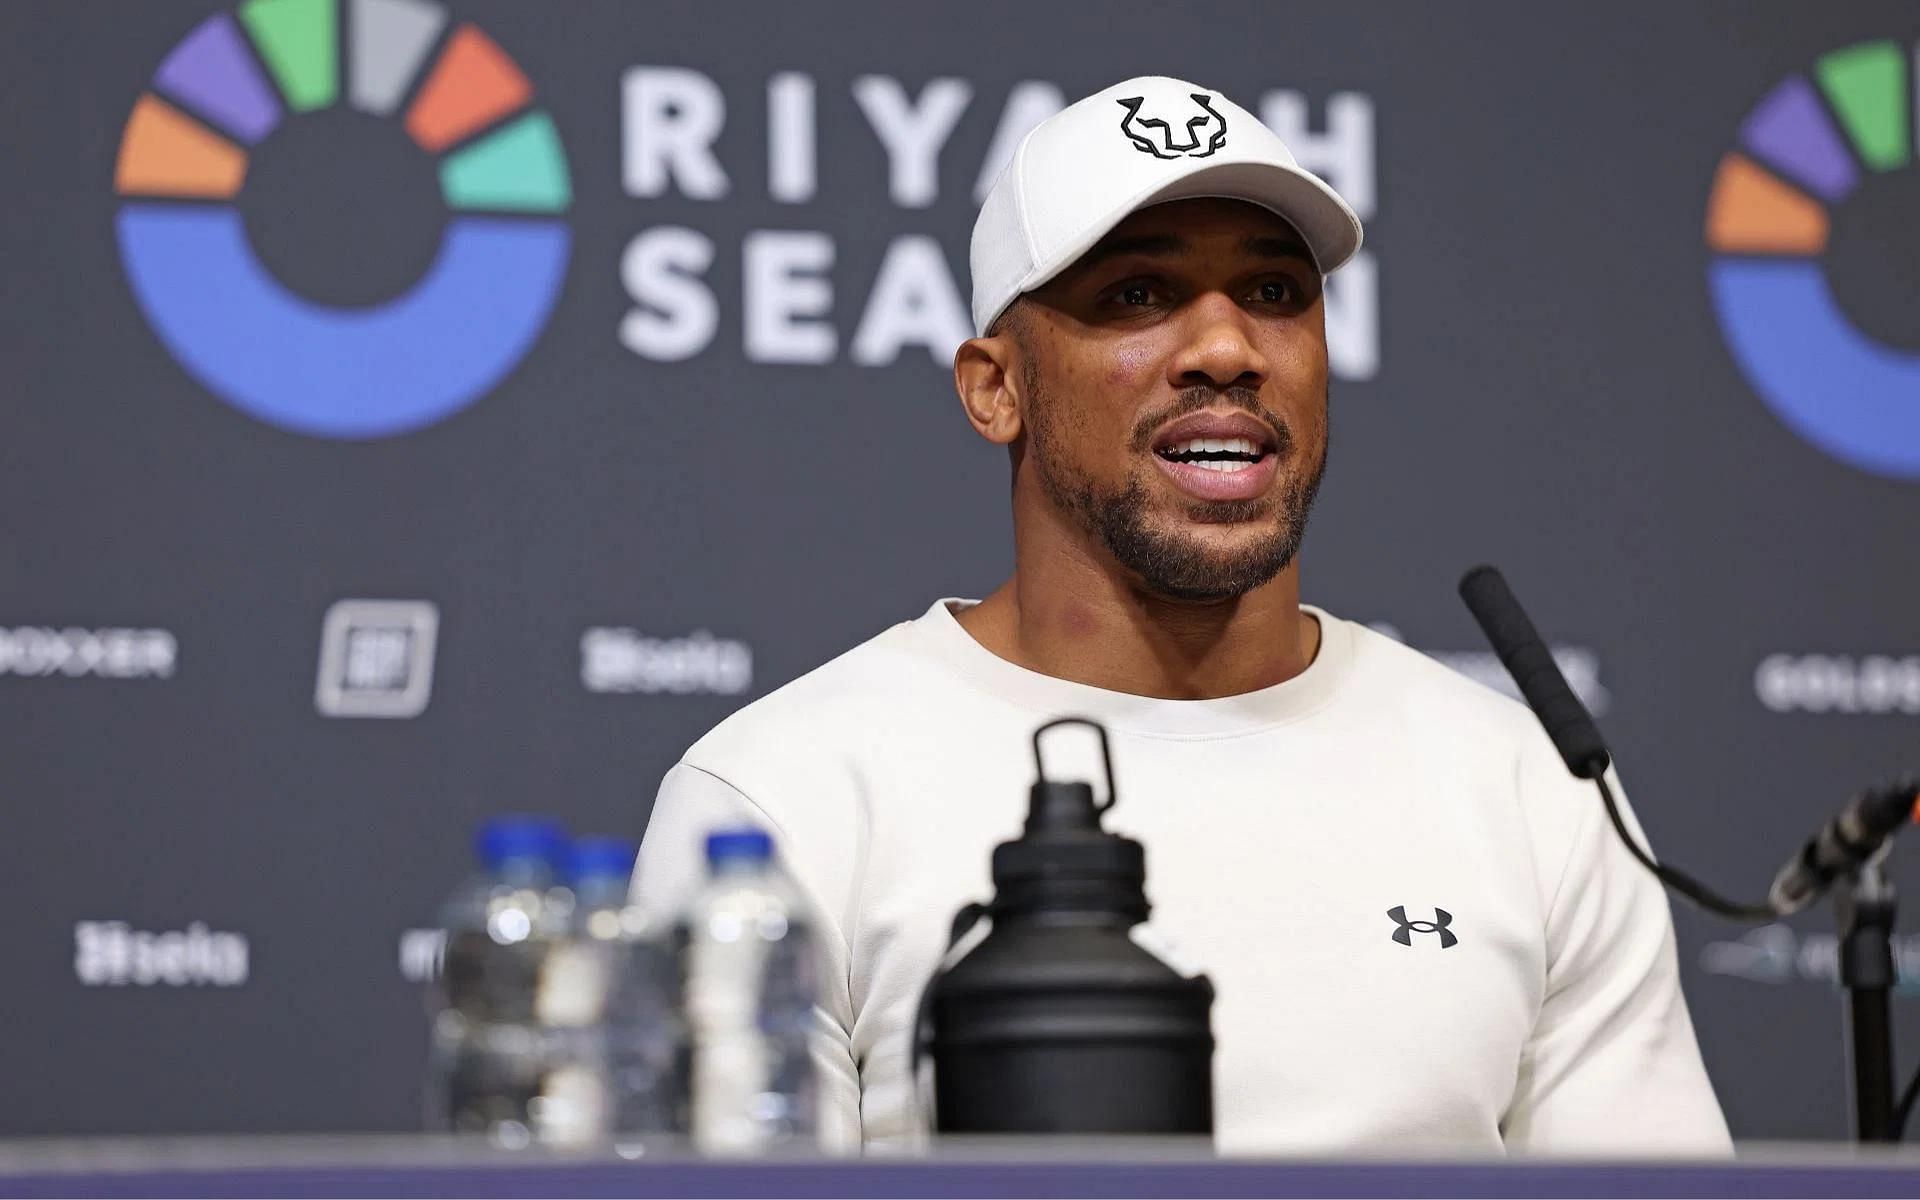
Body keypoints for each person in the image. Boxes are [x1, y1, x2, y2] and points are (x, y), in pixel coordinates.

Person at [633, 75, 1730, 1155]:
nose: (1228, 349)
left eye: (1273, 294)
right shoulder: (782, 800)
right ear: (993, 388)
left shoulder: (1529, 783)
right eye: (1138, 296)